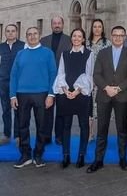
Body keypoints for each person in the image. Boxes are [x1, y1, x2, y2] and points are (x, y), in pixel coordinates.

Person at [86, 26, 127, 173]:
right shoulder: (102, 53)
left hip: (122, 95)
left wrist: (118, 88)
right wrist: (106, 88)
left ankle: (123, 159)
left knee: (122, 130)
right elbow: (96, 74)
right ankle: (98, 160)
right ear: (111, 36)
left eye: (121, 35)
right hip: (104, 95)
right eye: (115, 35)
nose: (118, 38)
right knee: (102, 129)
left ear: (124, 37)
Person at [10, 27, 57, 168]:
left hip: (42, 94)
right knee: (22, 125)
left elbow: (53, 74)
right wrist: (12, 95)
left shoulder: (48, 53)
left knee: (42, 125)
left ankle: (38, 154)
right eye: (29, 34)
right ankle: (25, 155)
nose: (32, 36)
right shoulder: (20, 54)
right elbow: (13, 75)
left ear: (40, 36)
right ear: (26, 37)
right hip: (22, 94)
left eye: (35, 34)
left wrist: (51, 94)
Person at [53, 28, 94, 169]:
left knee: (84, 125)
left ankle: (81, 155)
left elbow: (89, 75)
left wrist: (77, 91)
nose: (76, 38)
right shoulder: (64, 54)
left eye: (79, 36)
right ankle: (66, 156)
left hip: (81, 94)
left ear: (83, 39)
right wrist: (65, 90)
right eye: (74, 36)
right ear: (71, 38)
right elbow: (61, 73)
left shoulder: (89, 54)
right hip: (65, 93)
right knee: (66, 126)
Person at [41, 15, 71, 144]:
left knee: (61, 109)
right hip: (47, 79)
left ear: (63, 25)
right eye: (54, 23)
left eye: (59, 23)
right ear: (51, 25)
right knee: (47, 108)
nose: (57, 25)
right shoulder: (43, 40)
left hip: (63, 79)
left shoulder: (69, 40)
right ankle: (46, 135)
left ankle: (59, 136)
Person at [86, 19, 112, 141]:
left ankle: (101, 134)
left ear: (102, 28)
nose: (97, 29)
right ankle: (90, 133)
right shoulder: (86, 43)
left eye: (99, 26)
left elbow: (110, 62)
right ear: (92, 28)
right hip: (87, 79)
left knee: (100, 109)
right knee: (88, 108)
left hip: (102, 80)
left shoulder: (108, 43)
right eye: (95, 26)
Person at [0, 24, 24, 146]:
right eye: (8, 31)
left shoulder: (23, 46)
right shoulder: (1, 47)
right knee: (5, 110)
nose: (10, 33)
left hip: (18, 84)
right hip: (3, 83)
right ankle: (7, 134)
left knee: (18, 110)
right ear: (5, 33)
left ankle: (18, 135)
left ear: (16, 32)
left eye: (13, 31)